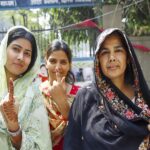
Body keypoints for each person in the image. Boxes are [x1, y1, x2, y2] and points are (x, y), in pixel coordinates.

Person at [64, 28, 150, 150]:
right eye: (105, 52)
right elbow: (71, 143)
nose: (112, 58)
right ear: (98, 59)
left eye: (118, 50)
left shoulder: (144, 100)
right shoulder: (85, 97)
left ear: (128, 58)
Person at [0, 26, 52, 150]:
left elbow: (40, 146)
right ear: (4, 49)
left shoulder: (33, 94)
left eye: (27, 54)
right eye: (15, 49)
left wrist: (14, 128)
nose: (20, 57)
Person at [39, 39, 80, 150]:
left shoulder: (80, 94)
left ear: (69, 65)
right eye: (52, 61)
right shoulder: (36, 93)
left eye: (63, 62)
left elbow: (84, 130)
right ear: (46, 62)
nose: (58, 67)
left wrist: (62, 102)